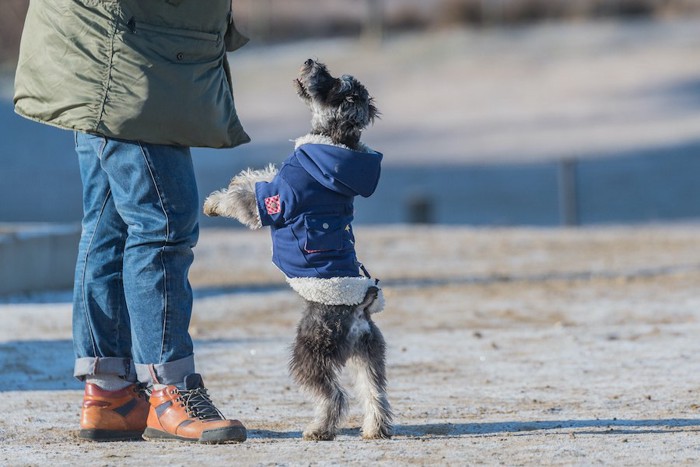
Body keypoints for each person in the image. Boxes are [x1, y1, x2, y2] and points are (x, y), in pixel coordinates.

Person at [13, 0, 250, 443]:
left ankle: (112, 393)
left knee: (109, 224)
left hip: (118, 42)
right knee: (163, 221)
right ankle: (170, 388)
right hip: (127, 53)